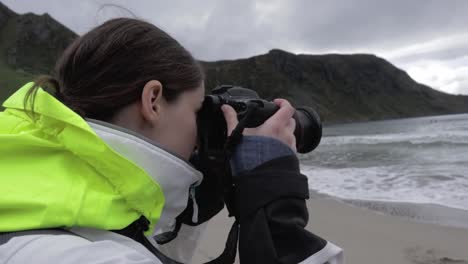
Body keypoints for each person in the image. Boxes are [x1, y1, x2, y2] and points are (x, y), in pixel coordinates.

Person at [0, 18, 343, 263]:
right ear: (153, 101)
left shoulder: (36, 195)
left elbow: (143, 244)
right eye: (196, 110)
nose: (198, 133)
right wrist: (272, 198)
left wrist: (200, 194)